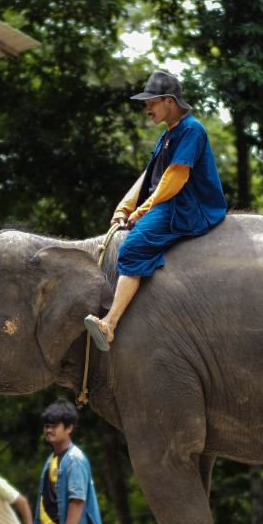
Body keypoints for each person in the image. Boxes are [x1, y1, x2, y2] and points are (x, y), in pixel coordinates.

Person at [83, 70, 229, 350]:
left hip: (187, 207)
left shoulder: (192, 130)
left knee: (133, 247)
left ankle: (110, 324)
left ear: (170, 101)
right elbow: (149, 176)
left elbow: (175, 178)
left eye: (152, 101)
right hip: (170, 202)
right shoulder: (169, 135)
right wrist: (124, 207)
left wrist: (141, 213)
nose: (147, 107)